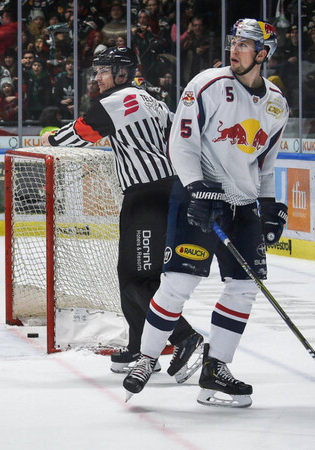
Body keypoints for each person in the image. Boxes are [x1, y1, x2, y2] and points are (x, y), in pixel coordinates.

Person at [122, 19, 289, 408]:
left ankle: (216, 368)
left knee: (244, 288)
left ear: (263, 54)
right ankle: (147, 358)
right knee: (178, 282)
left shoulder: (276, 103)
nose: (235, 49)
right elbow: (181, 145)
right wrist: (197, 189)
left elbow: (265, 164)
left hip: (243, 205)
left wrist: (267, 207)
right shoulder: (208, 84)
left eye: (245, 44)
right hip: (200, 195)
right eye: (234, 41)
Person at [40, 46, 204, 381]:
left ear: (122, 73)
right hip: (164, 193)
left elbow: (85, 131)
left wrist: (52, 138)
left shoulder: (118, 100)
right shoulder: (154, 101)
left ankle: (186, 337)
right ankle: (141, 347)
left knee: (137, 279)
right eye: (97, 71)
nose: (97, 77)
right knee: (129, 273)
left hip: (149, 196)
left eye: (103, 71)